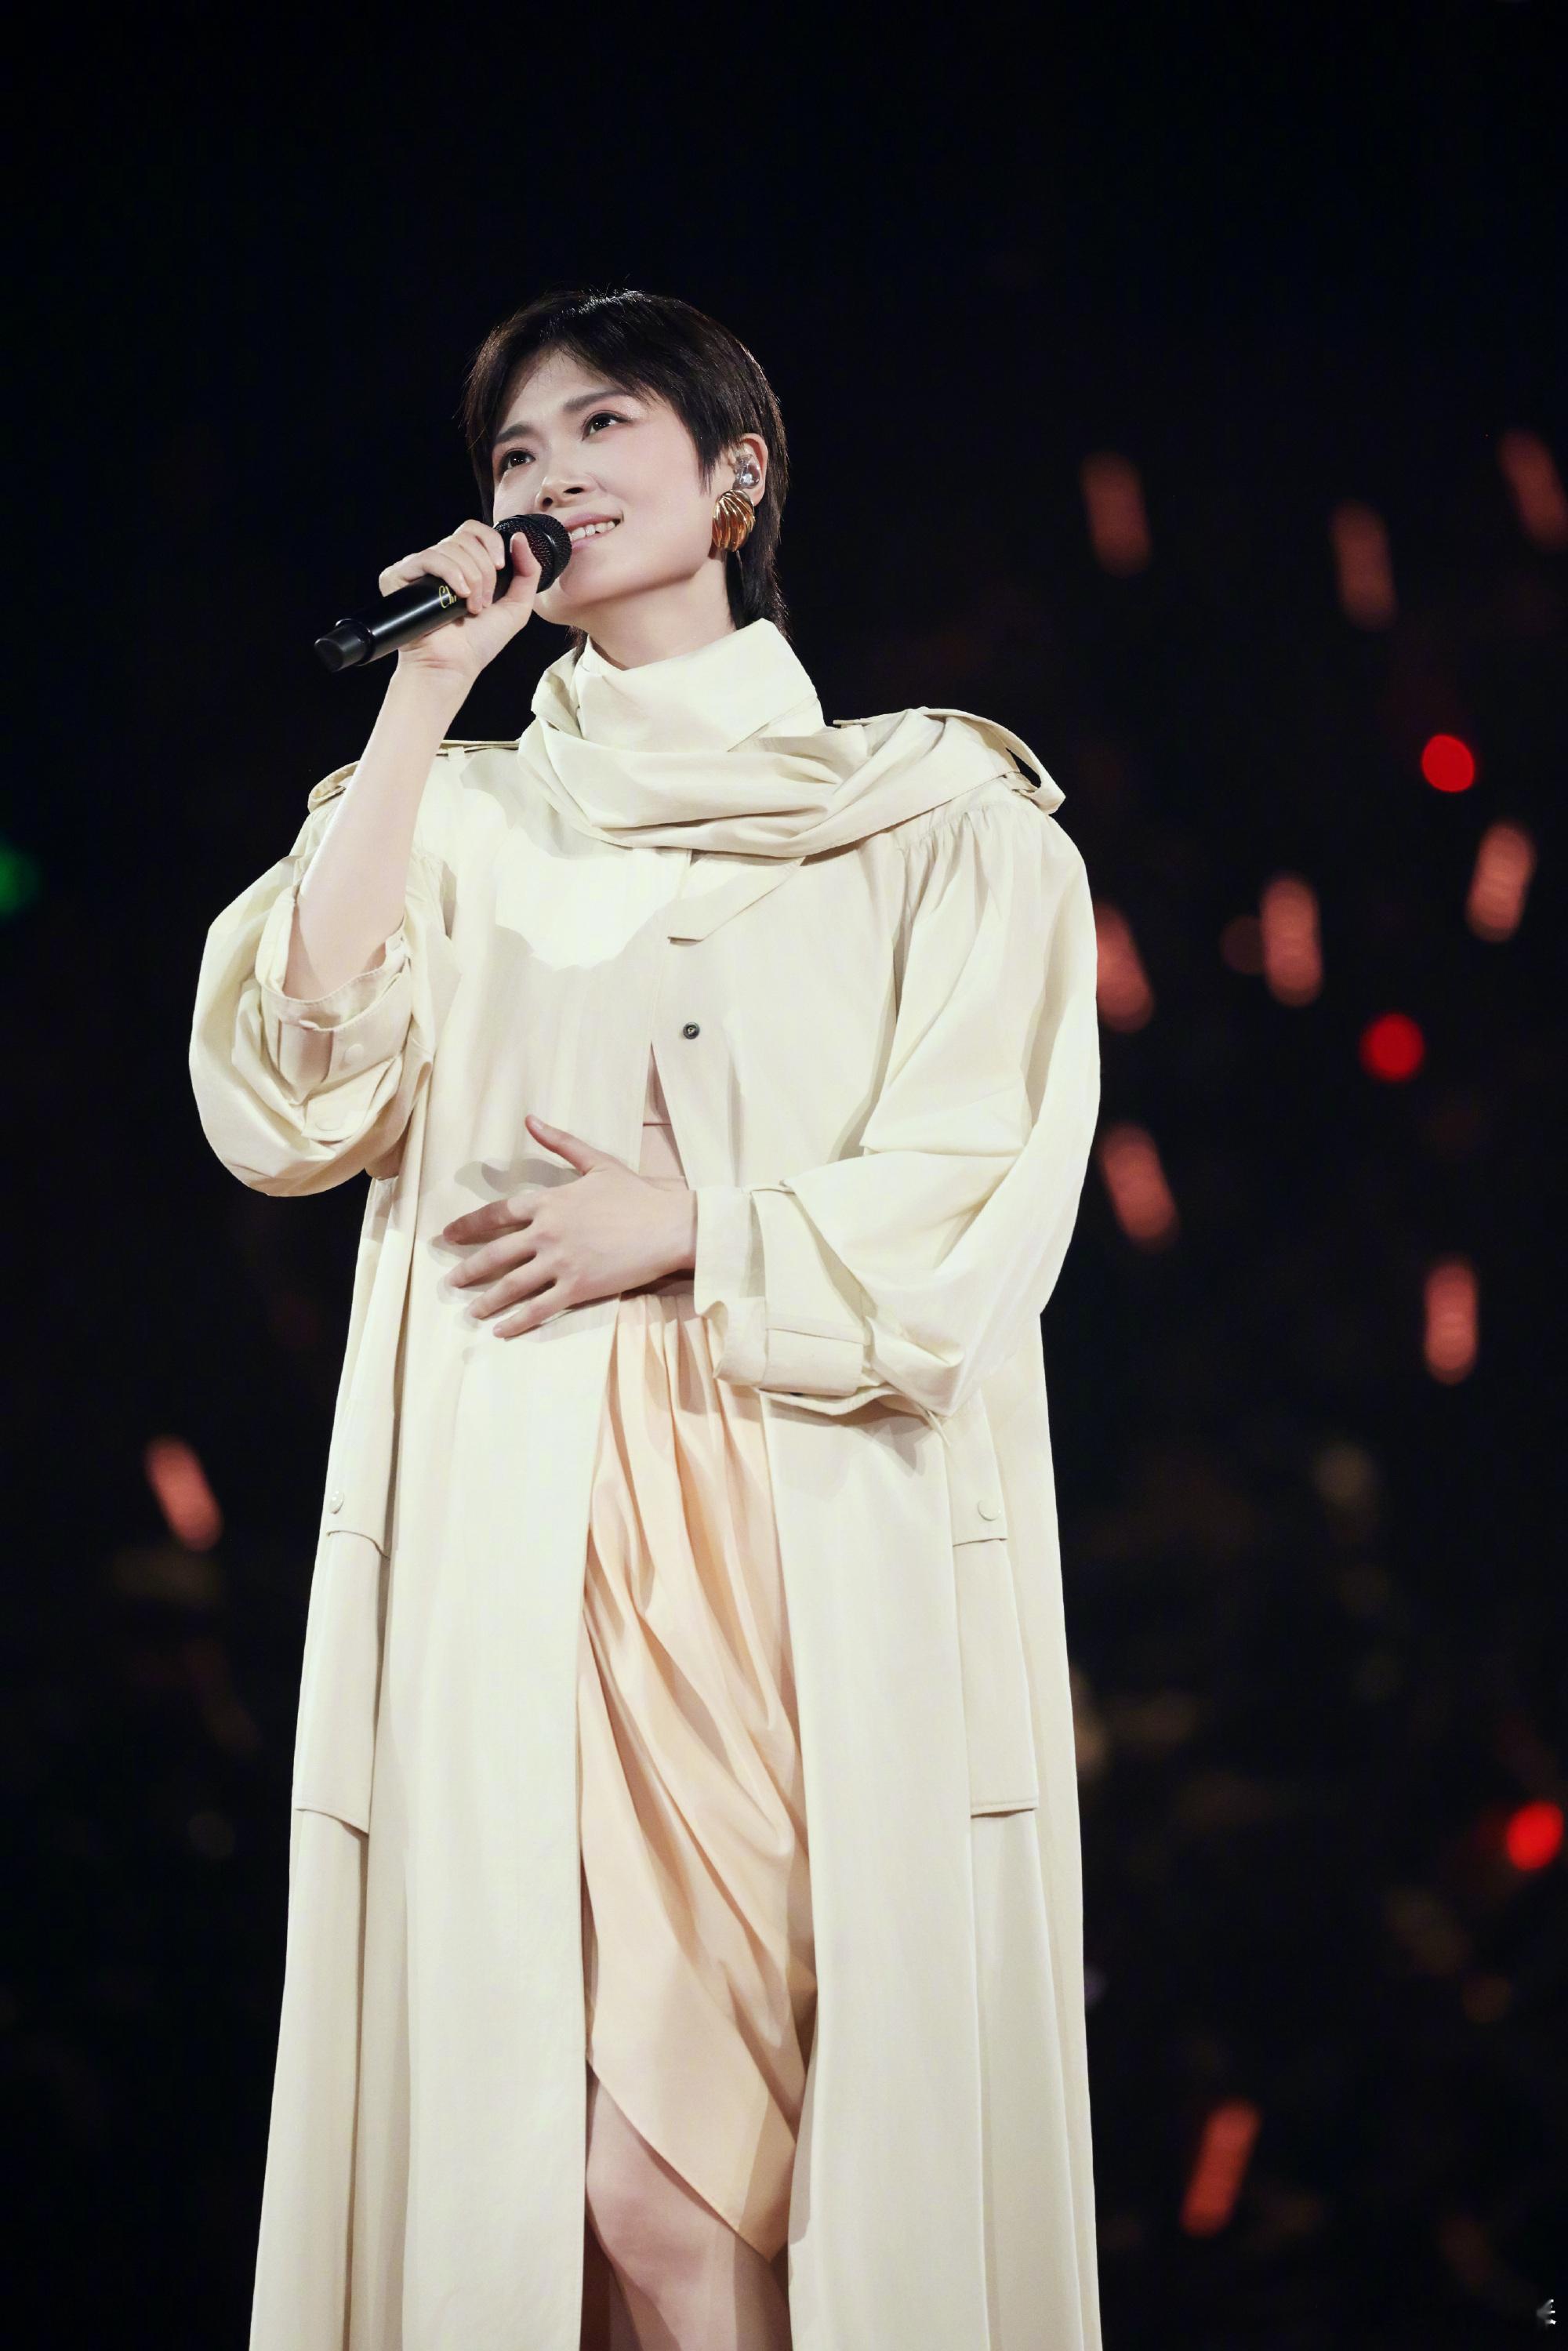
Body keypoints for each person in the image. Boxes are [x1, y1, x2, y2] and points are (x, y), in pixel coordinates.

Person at [189, 286, 1105, 2351]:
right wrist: (425, 703)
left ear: (734, 479)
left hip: (785, 1553)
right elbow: (292, 1089)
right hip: (520, 1559)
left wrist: (695, 1228)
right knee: (555, 2209)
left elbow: (984, 1195)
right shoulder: (456, 819)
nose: (553, 476)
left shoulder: (940, 822)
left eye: (604, 428)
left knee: (687, 2195)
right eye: (516, 453)